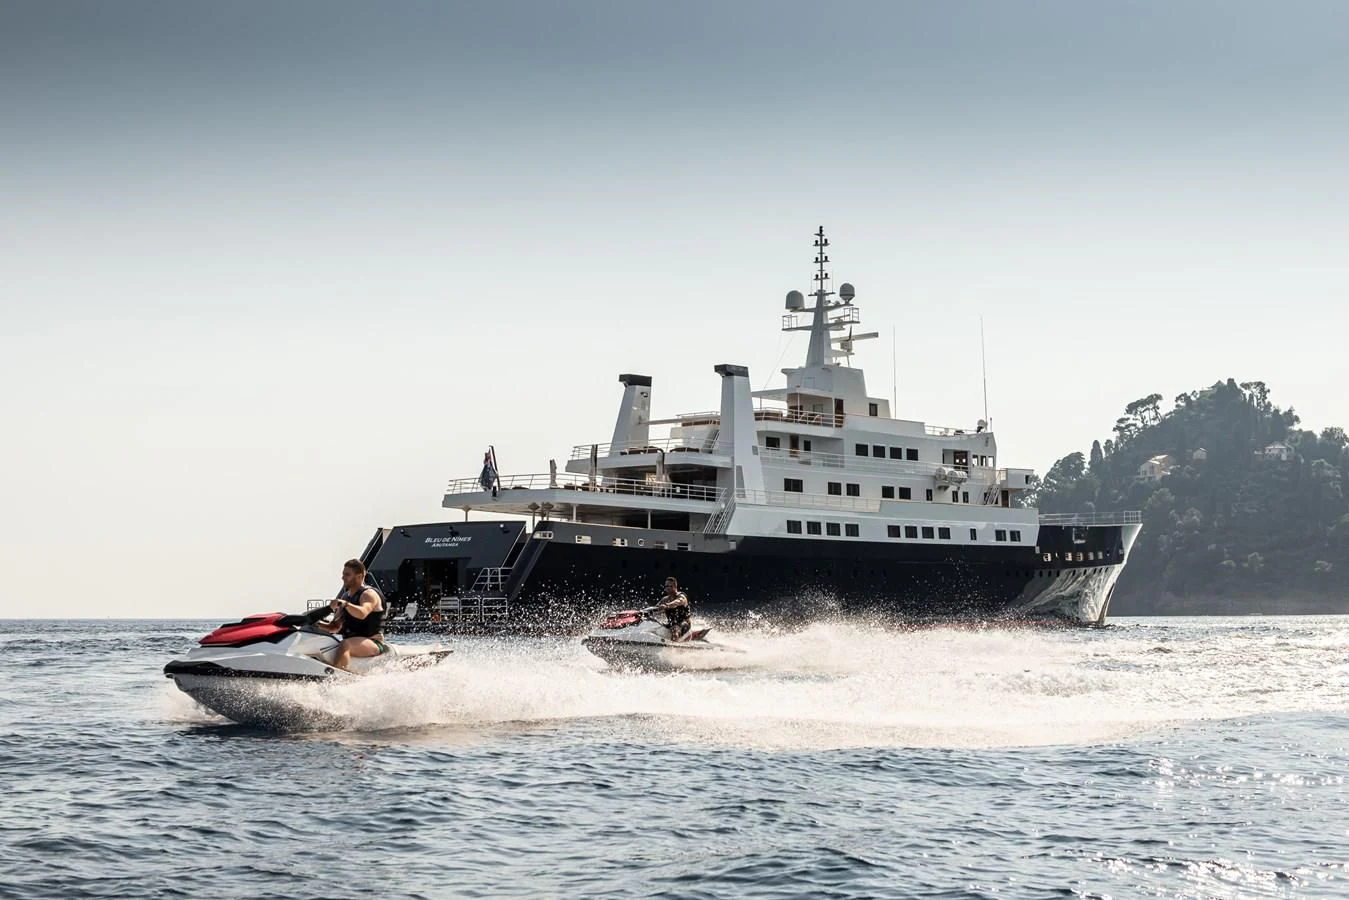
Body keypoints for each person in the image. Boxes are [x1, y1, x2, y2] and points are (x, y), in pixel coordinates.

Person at [318, 558, 388, 671]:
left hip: (373, 642)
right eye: (343, 574)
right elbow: (334, 627)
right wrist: (315, 624)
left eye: (347, 575)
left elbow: (362, 613)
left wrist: (344, 604)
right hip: (354, 641)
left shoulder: (368, 594)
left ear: (359, 576)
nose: (343, 578)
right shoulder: (345, 596)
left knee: (346, 644)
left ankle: (336, 677)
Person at [651, 576, 691, 642]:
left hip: (684, 624)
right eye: (666, 586)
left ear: (675, 587)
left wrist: (667, 605)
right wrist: (641, 613)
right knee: (653, 625)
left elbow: (677, 602)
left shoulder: (682, 596)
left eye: (670, 586)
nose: (668, 588)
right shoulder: (665, 599)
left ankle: (674, 646)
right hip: (672, 624)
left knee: (675, 630)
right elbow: (654, 608)